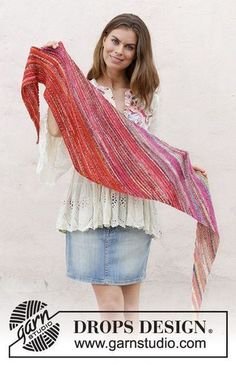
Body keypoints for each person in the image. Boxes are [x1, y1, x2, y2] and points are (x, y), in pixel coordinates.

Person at [39, 13, 207, 324]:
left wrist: (181, 168)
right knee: (111, 304)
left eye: (129, 47)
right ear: (104, 40)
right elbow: (53, 131)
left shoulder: (145, 96)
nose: (119, 51)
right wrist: (56, 75)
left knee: (130, 311)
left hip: (133, 208)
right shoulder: (82, 91)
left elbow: (148, 148)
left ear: (137, 53)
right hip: (91, 206)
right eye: (115, 41)